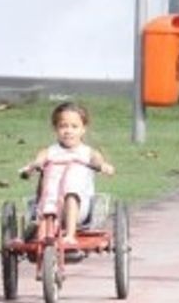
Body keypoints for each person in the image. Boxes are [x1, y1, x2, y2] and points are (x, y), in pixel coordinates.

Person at [19, 102, 115, 244]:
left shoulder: (87, 152)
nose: (68, 131)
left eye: (74, 127)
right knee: (48, 195)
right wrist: (33, 167)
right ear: (55, 128)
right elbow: (39, 160)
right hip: (50, 203)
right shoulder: (50, 151)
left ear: (83, 129)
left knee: (71, 192)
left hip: (79, 207)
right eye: (63, 126)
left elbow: (97, 160)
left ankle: (70, 235)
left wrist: (103, 166)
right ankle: (40, 231)